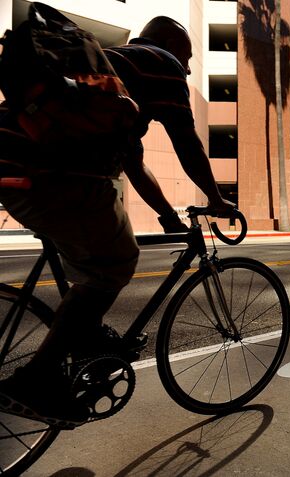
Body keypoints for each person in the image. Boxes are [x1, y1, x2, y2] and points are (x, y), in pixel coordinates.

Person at [0, 16, 235, 428]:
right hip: (50, 176)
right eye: (189, 57)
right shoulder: (160, 63)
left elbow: (133, 162)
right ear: (170, 44)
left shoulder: (110, 69)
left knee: (94, 257)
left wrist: (166, 215)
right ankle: (36, 381)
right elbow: (187, 141)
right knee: (113, 264)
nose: (190, 69)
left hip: (12, 163)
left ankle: (84, 337)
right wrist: (215, 199)